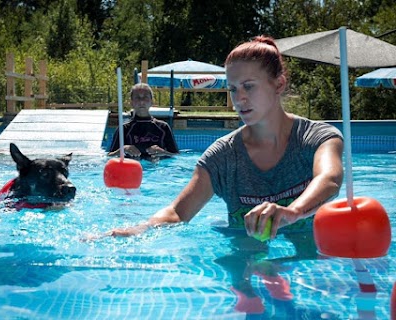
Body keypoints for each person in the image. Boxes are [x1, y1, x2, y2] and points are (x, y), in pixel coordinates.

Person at [105, 37, 344, 313]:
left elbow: (329, 179)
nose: (239, 99)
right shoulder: (222, 156)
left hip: (307, 262)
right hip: (245, 264)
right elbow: (179, 213)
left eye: (249, 87)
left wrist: (293, 211)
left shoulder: (316, 137)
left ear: (278, 84)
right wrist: (141, 228)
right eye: (232, 89)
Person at [107, 83, 179, 160]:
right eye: (137, 98)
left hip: (157, 169)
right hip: (132, 169)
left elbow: (176, 155)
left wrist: (163, 153)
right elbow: (110, 156)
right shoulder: (123, 129)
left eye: (145, 97)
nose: (141, 102)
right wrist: (124, 149)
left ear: (152, 101)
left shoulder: (163, 127)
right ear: (131, 102)